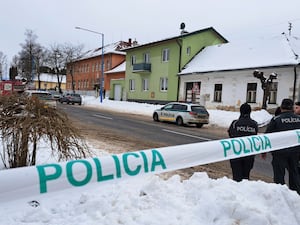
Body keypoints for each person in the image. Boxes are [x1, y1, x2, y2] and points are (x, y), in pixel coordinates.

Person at [265, 98, 300, 194]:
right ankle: (296, 195)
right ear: (292, 108)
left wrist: (264, 151)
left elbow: (267, 136)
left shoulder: (276, 119)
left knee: (279, 175)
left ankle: (281, 195)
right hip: (295, 152)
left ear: (281, 108)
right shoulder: (299, 119)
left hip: (280, 152)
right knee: (294, 173)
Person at [227, 103, 258, 182]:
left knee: (237, 177)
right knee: (246, 177)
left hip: (236, 154)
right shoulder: (254, 124)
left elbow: (230, 134)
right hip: (249, 154)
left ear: (240, 111)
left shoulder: (235, 123)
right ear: (250, 112)